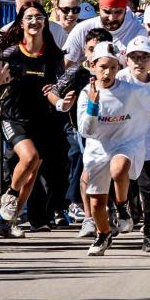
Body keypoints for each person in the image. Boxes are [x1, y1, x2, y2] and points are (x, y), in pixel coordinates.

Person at [77, 42, 150, 256]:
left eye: (113, 67)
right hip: (97, 150)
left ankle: (122, 207)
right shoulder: (86, 94)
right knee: (97, 204)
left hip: (127, 144)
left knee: (119, 168)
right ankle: (103, 234)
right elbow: (86, 130)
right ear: (92, 66)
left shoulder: (133, 91)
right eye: (103, 66)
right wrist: (94, 106)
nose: (108, 72)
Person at [0, 2, 66, 237]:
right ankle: (11, 195)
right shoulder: (10, 53)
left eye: (39, 17)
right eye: (29, 17)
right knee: (29, 157)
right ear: (21, 23)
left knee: (32, 171)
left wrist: (61, 99)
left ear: (46, 21)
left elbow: (57, 89)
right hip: (13, 116)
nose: (34, 22)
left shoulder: (53, 55)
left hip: (43, 120)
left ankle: (10, 221)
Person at [52, 27, 113, 237]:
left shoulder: (117, 73)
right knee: (88, 168)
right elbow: (52, 91)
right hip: (84, 131)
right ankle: (88, 217)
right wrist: (62, 104)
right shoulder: (77, 72)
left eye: (99, 49)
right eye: (90, 49)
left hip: (113, 131)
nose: (93, 54)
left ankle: (110, 211)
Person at [61, 0, 145, 67]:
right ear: (99, 8)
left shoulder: (138, 32)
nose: (112, 18)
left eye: (118, 12)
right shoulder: (82, 29)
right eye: (107, 12)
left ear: (125, 9)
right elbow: (62, 68)